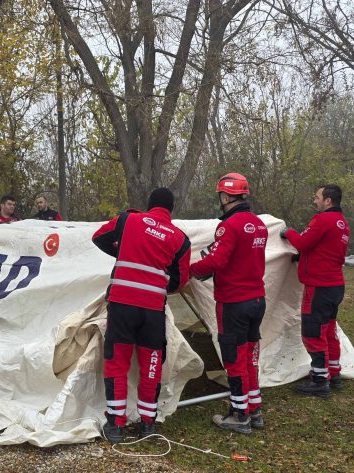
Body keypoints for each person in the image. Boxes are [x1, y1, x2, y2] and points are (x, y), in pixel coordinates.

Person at [91, 188, 191, 443]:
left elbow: (98, 237)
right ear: (171, 210)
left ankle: (115, 425)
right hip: (153, 310)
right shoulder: (180, 239)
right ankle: (148, 424)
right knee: (151, 364)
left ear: (149, 204)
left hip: (122, 305)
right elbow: (180, 280)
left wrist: (123, 251)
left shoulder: (128, 220)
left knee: (117, 362)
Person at [190, 173, 269, 434]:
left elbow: (217, 260)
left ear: (225, 196)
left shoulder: (229, 226)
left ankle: (239, 415)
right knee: (250, 357)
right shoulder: (258, 224)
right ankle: (254, 409)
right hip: (257, 299)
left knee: (234, 358)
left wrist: (190, 270)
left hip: (234, 302)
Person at [280, 184, 350, 397]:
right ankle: (334, 373)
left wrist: (288, 232)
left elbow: (302, 242)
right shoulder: (342, 223)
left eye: (317, 197)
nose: (314, 200)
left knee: (313, 332)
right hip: (335, 285)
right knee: (328, 331)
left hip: (319, 287)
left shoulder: (322, 220)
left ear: (328, 200)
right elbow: (324, 249)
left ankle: (320, 380)